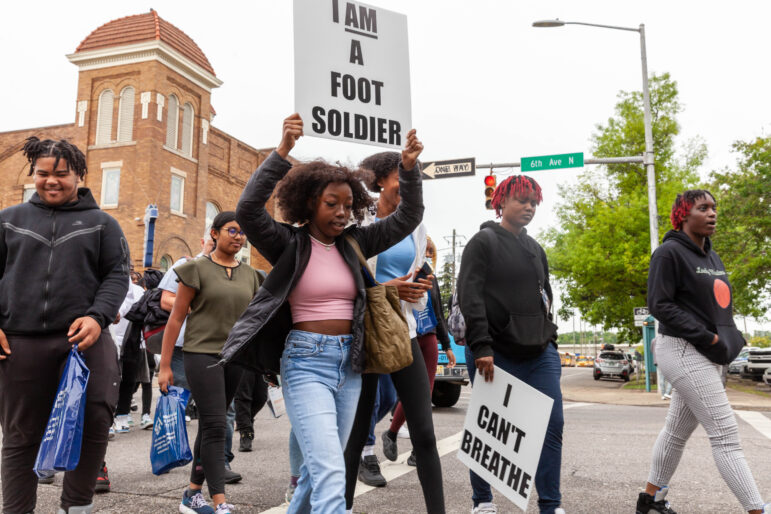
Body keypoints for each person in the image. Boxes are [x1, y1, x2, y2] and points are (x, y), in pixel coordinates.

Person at [219, 113, 425, 513]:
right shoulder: (288, 243)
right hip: (305, 362)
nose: (342, 212)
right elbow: (247, 209)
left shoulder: (356, 243)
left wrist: (410, 171)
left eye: (348, 205)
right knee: (332, 471)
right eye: (332, 204)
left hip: (349, 363)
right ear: (310, 203)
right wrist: (282, 152)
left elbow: (408, 217)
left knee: (317, 474)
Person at [0, 137, 129, 514]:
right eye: (42, 173)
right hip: (20, 342)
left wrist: (97, 315)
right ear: (33, 175)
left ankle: (75, 507)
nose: (51, 180)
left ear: (79, 175)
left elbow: (117, 276)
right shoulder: (8, 220)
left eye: (61, 173)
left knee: (94, 421)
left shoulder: (103, 223)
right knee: (20, 434)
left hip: (84, 341)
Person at [637, 190, 769, 514]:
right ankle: (757, 510)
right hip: (681, 349)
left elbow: (717, 303)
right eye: (703, 208)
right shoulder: (668, 253)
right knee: (725, 433)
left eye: (714, 208)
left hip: (706, 353)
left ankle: (651, 501)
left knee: (676, 431)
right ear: (683, 215)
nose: (712, 213)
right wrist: (708, 338)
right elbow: (660, 305)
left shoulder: (712, 257)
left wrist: (729, 336)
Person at [343, 151, 445, 514]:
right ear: (381, 180)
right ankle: (344, 507)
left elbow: (410, 280)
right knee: (356, 435)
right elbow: (349, 281)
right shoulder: (358, 222)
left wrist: (419, 287)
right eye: (404, 176)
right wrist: (390, 288)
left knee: (425, 433)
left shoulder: (416, 224)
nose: (410, 185)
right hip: (366, 332)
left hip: (404, 329)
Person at [457, 175, 564, 514]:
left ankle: (550, 504)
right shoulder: (483, 242)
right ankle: (483, 502)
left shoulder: (535, 250)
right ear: (500, 202)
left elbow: (545, 296)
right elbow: (469, 296)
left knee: (552, 423)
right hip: (495, 351)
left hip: (539, 351)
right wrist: (482, 346)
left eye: (533, 202)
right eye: (521, 200)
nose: (529, 207)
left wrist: (553, 339)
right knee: (489, 428)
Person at [158, 212, 262, 514]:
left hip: (236, 357)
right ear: (214, 234)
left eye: (242, 233)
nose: (238, 237)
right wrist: (164, 366)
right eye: (232, 230)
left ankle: (192, 493)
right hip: (201, 354)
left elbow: (255, 320)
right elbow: (176, 318)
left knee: (210, 426)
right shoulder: (195, 269)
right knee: (216, 425)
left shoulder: (252, 276)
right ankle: (220, 502)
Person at [158, 230, 242, 483]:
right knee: (177, 403)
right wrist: (201, 303)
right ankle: (170, 452)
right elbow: (166, 300)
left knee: (221, 412)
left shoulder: (236, 272)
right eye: (211, 240)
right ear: (206, 239)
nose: (215, 244)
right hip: (187, 347)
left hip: (221, 351)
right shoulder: (187, 266)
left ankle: (220, 461)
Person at [381, 236, 455, 467]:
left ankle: (415, 447)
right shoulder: (402, 270)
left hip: (429, 337)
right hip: (405, 334)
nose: (429, 254)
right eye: (426, 250)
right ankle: (392, 432)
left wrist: (447, 345)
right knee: (405, 393)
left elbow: (439, 313)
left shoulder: (430, 277)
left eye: (432, 252)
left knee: (426, 392)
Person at [234, 370, 268, 452]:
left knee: (261, 398)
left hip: (260, 361)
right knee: (243, 396)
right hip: (242, 360)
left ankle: (245, 420)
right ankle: (245, 433)